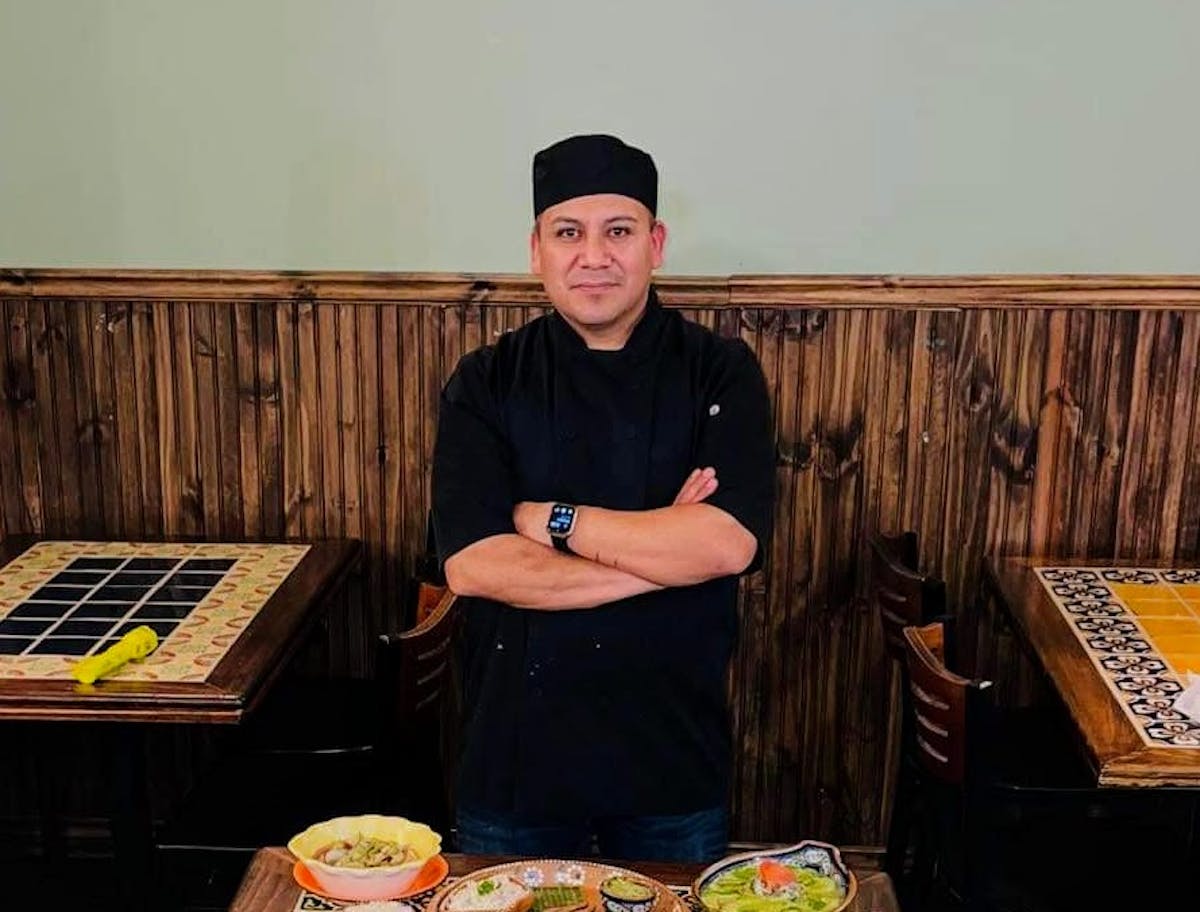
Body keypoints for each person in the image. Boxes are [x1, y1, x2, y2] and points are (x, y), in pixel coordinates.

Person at [431, 133, 774, 862]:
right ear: (536, 251)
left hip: (672, 761)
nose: (594, 256)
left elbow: (726, 545)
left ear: (655, 242)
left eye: (618, 231)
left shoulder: (720, 372)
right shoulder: (486, 380)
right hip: (515, 761)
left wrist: (551, 521)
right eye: (568, 233)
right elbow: (473, 566)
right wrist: (660, 556)